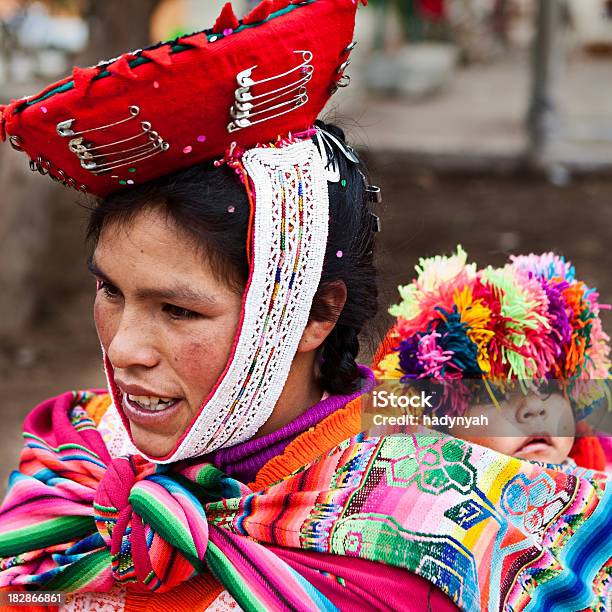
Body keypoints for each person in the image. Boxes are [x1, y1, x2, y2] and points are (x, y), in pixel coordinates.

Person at [1, 2, 611, 611]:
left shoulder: (447, 535)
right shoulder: (74, 454)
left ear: (315, 315)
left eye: (179, 311)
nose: (123, 348)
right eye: (111, 291)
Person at [373, 245, 610, 468]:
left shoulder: (602, 491)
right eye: (492, 394)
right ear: (437, 426)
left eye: (548, 387)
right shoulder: (417, 505)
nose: (534, 408)